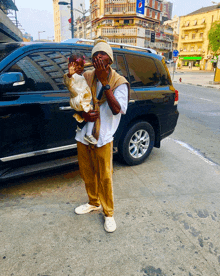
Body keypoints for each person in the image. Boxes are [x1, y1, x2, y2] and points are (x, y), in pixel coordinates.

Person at [66, 39, 129, 233]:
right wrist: (70, 74)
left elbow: (118, 109)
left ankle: (109, 213)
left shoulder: (119, 81)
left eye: (101, 55)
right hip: (84, 134)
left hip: (104, 137)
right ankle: (93, 202)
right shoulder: (87, 75)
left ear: (109, 59)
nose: (97, 58)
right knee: (87, 172)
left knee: (105, 177)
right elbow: (75, 95)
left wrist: (105, 83)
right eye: (94, 56)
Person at [64, 54, 98, 145]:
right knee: (91, 114)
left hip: (82, 99)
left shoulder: (81, 76)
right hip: (79, 100)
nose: (79, 67)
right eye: (76, 65)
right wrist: (69, 75)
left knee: (88, 114)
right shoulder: (72, 76)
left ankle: (80, 125)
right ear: (70, 66)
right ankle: (88, 134)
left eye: (81, 65)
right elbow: (68, 83)